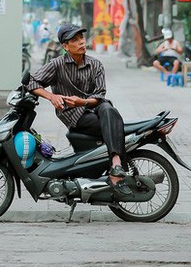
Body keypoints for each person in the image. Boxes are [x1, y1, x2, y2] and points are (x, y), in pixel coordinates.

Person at [28, 23, 130, 192]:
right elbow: (32, 82)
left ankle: (116, 165)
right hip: (74, 115)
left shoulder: (96, 64)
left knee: (108, 109)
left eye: (81, 38)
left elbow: (99, 95)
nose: (81, 42)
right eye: (74, 40)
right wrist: (51, 96)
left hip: (94, 107)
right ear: (65, 46)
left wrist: (81, 101)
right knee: (113, 123)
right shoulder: (57, 64)